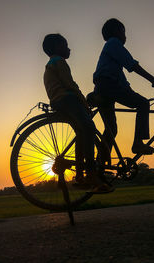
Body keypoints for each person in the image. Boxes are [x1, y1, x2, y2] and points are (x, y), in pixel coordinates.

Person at [42, 33, 114, 194]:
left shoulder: (50, 64)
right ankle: (91, 173)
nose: (69, 48)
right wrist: (82, 100)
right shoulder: (59, 62)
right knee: (89, 129)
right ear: (56, 48)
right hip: (67, 99)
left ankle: (81, 175)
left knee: (81, 132)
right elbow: (70, 85)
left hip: (58, 101)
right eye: (65, 45)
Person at [93, 18, 154, 155]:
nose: (125, 36)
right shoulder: (114, 43)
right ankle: (138, 144)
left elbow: (122, 81)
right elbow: (132, 65)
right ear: (117, 31)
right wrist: (153, 79)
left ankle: (100, 165)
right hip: (109, 86)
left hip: (103, 88)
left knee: (111, 129)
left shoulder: (110, 51)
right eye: (124, 32)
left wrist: (131, 90)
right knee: (143, 104)